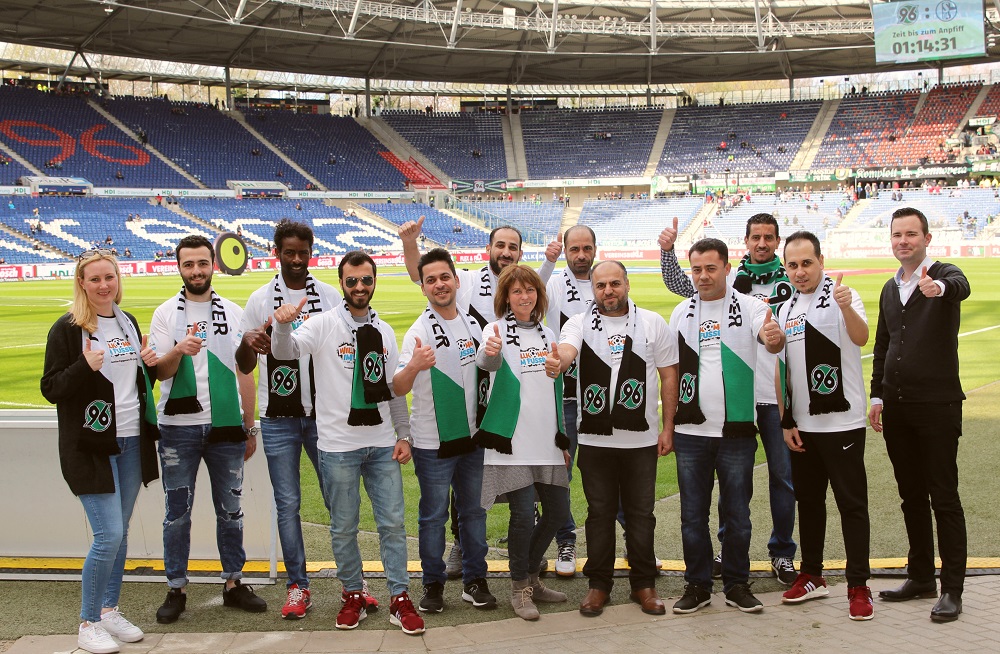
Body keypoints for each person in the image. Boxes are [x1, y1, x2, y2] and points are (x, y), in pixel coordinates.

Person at [270, 251, 424, 635]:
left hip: (381, 443)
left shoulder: (384, 331)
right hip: (338, 446)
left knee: (392, 524)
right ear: (341, 283)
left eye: (366, 280)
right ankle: (353, 593)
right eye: (352, 280)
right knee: (343, 527)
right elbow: (284, 352)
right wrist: (282, 326)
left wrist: (403, 434)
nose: (359, 287)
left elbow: (392, 390)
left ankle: (399, 597)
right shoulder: (323, 324)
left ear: (374, 282)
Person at [398, 218, 556, 575]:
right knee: (466, 493)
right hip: (475, 399)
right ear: (489, 249)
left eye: (513, 247)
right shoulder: (467, 280)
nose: (506, 252)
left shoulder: (521, 286)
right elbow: (424, 276)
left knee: (519, 478)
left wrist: (548, 261)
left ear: (519, 253)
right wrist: (410, 244)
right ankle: (460, 550)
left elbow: (536, 290)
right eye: (500, 245)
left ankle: (525, 552)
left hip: (512, 394)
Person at [236, 220, 374, 620]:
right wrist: (248, 342)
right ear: (276, 252)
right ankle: (298, 585)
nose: (296, 260)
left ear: (311, 253)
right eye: (289, 252)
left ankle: (354, 581)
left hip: (323, 415)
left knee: (338, 500)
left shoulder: (329, 295)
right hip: (278, 417)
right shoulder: (260, 299)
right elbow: (244, 364)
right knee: (288, 504)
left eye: (303, 253)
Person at [659, 213, 798, 585]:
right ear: (746, 241)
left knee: (781, 479)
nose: (762, 243)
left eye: (769, 237)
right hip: (733, 405)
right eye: (756, 237)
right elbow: (683, 284)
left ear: (778, 241)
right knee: (726, 496)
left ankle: (781, 553)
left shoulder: (793, 276)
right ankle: (721, 559)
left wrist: (775, 338)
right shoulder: (727, 281)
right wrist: (667, 252)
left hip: (773, 395)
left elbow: (775, 333)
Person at [41, 250, 159, 654]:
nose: (104, 285)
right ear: (82, 284)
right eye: (94, 279)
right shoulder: (67, 329)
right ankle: (88, 621)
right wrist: (83, 366)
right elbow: (51, 388)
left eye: (109, 277)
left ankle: (109, 610)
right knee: (108, 534)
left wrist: (149, 364)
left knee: (120, 532)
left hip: (130, 441)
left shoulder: (128, 322)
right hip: (91, 445)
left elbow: (132, 386)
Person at [147, 236, 264, 624]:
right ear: (179, 267)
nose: (196, 271)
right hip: (177, 428)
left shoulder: (233, 311)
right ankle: (176, 587)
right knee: (177, 513)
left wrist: (250, 425)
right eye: (188, 264)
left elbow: (244, 371)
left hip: (226, 427)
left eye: (202, 263)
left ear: (213, 263)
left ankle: (233, 582)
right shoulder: (165, 313)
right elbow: (160, 372)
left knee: (231, 510)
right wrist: (178, 350)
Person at [555, 261, 678, 617]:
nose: (608, 291)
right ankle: (599, 585)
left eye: (614, 284)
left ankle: (643, 584)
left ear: (627, 284)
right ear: (592, 289)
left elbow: (670, 376)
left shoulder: (652, 323)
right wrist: (559, 361)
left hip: (641, 440)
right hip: (595, 440)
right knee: (599, 515)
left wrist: (667, 428)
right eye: (601, 286)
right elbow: (567, 351)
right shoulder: (578, 323)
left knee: (641, 515)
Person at [869, 207, 970, 623]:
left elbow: (960, 286)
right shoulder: (890, 288)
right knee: (911, 495)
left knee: (943, 496)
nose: (903, 241)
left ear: (926, 238)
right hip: (897, 407)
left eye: (911, 234)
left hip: (937, 406)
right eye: (897, 235)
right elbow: (883, 344)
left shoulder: (943, 274)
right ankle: (922, 576)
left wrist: (939, 288)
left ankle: (953, 590)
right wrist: (877, 396)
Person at [776, 231, 873, 621]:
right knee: (810, 503)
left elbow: (861, 337)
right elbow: (781, 370)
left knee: (852, 504)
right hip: (803, 425)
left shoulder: (842, 295)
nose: (800, 271)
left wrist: (846, 307)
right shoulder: (785, 308)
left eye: (806, 263)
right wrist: (786, 421)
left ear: (821, 261)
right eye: (793, 265)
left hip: (843, 423)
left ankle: (858, 585)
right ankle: (812, 575)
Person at [393, 248, 496, 614]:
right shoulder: (419, 331)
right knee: (434, 516)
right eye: (431, 280)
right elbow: (397, 386)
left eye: (444, 277)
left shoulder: (472, 323)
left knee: (474, 512)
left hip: (472, 438)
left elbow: (487, 372)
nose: (439, 284)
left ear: (456, 280)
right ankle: (433, 584)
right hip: (432, 443)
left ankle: (475, 580)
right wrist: (414, 365)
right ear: (423, 287)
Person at [475, 264, 570, 621]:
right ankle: (520, 589)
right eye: (516, 291)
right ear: (506, 297)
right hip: (512, 442)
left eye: (530, 290)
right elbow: (486, 362)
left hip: (547, 440)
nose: (524, 296)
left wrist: (562, 440)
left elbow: (554, 387)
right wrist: (491, 351)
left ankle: (531, 576)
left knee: (558, 512)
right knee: (522, 516)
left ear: (538, 295)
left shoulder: (549, 333)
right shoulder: (495, 330)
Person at [543, 226, 596, 576]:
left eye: (586, 248)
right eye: (574, 248)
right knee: (559, 475)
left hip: (599, 399)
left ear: (595, 249)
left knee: (608, 473)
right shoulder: (553, 284)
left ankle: (632, 539)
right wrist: (547, 263)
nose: (580, 255)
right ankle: (566, 540)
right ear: (565, 251)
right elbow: (526, 292)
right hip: (563, 399)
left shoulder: (606, 282)